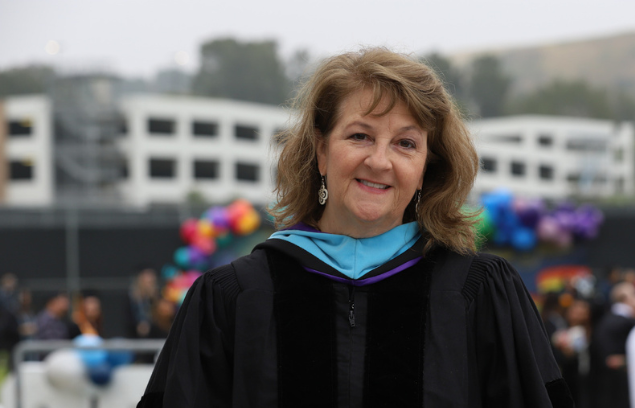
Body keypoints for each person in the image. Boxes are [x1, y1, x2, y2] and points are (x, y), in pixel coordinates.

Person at [137, 48, 573, 408]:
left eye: (405, 143)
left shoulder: (479, 293)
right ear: (321, 153)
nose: (380, 161)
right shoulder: (231, 299)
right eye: (360, 136)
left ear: (424, 169)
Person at [590, 281, 635, 408]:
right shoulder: (629, 323)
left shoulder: (605, 321)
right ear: (625, 298)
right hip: (621, 388)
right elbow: (612, 360)